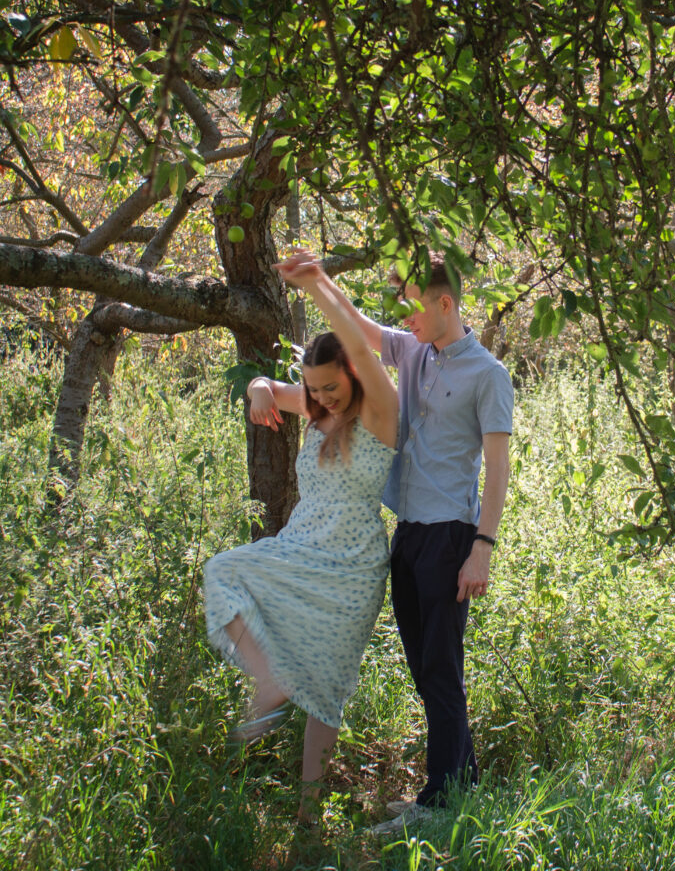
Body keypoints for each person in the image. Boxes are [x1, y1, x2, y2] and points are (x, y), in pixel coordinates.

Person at [251, 251, 514, 833]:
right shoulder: (416, 348)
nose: (406, 317)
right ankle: (457, 784)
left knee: (441, 669)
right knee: (425, 667)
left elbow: (497, 466)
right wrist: (318, 282)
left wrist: (482, 546)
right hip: (408, 534)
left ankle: (440, 805)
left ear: (445, 303)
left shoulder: (488, 376)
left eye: (414, 305)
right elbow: (358, 332)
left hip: (450, 535)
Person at [202, 264, 398, 825]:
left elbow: (360, 346)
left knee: (326, 687)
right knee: (223, 571)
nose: (321, 398)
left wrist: (314, 283)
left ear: (356, 375)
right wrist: (261, 387)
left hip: (352, 566)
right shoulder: (314, 405)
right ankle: (268, 680)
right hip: (299, 547)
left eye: (331, 387)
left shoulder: (381, 412)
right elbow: (263, 388)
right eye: (313, 389)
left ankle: (309, 820)